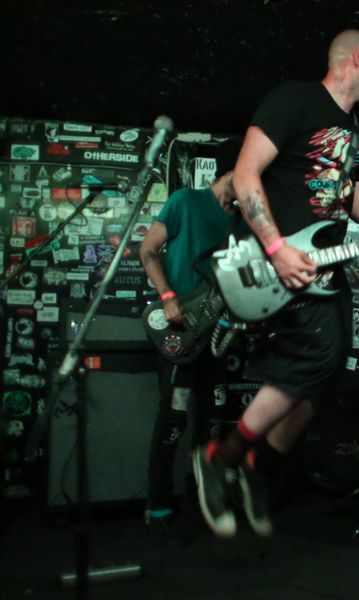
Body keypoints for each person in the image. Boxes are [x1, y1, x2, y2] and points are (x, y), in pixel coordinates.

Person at [192, 29, 359, 538]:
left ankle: (257, 466)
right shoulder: (295, 100)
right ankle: (222, 456)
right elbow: (245, 175)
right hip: (271, 258)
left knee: (326, 372)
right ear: (358, 59)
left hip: (324, 265)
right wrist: (276, 249)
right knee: (320, 354)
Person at [139, 139, 245, 546]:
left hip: (219, 337)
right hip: (180, 332)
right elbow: (149, 249)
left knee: (212, 424)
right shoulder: (185, 201)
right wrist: (167, 296)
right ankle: (159, 506)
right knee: (173, 419)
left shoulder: (242, 223)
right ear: (230, 170)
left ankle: (198, 505)